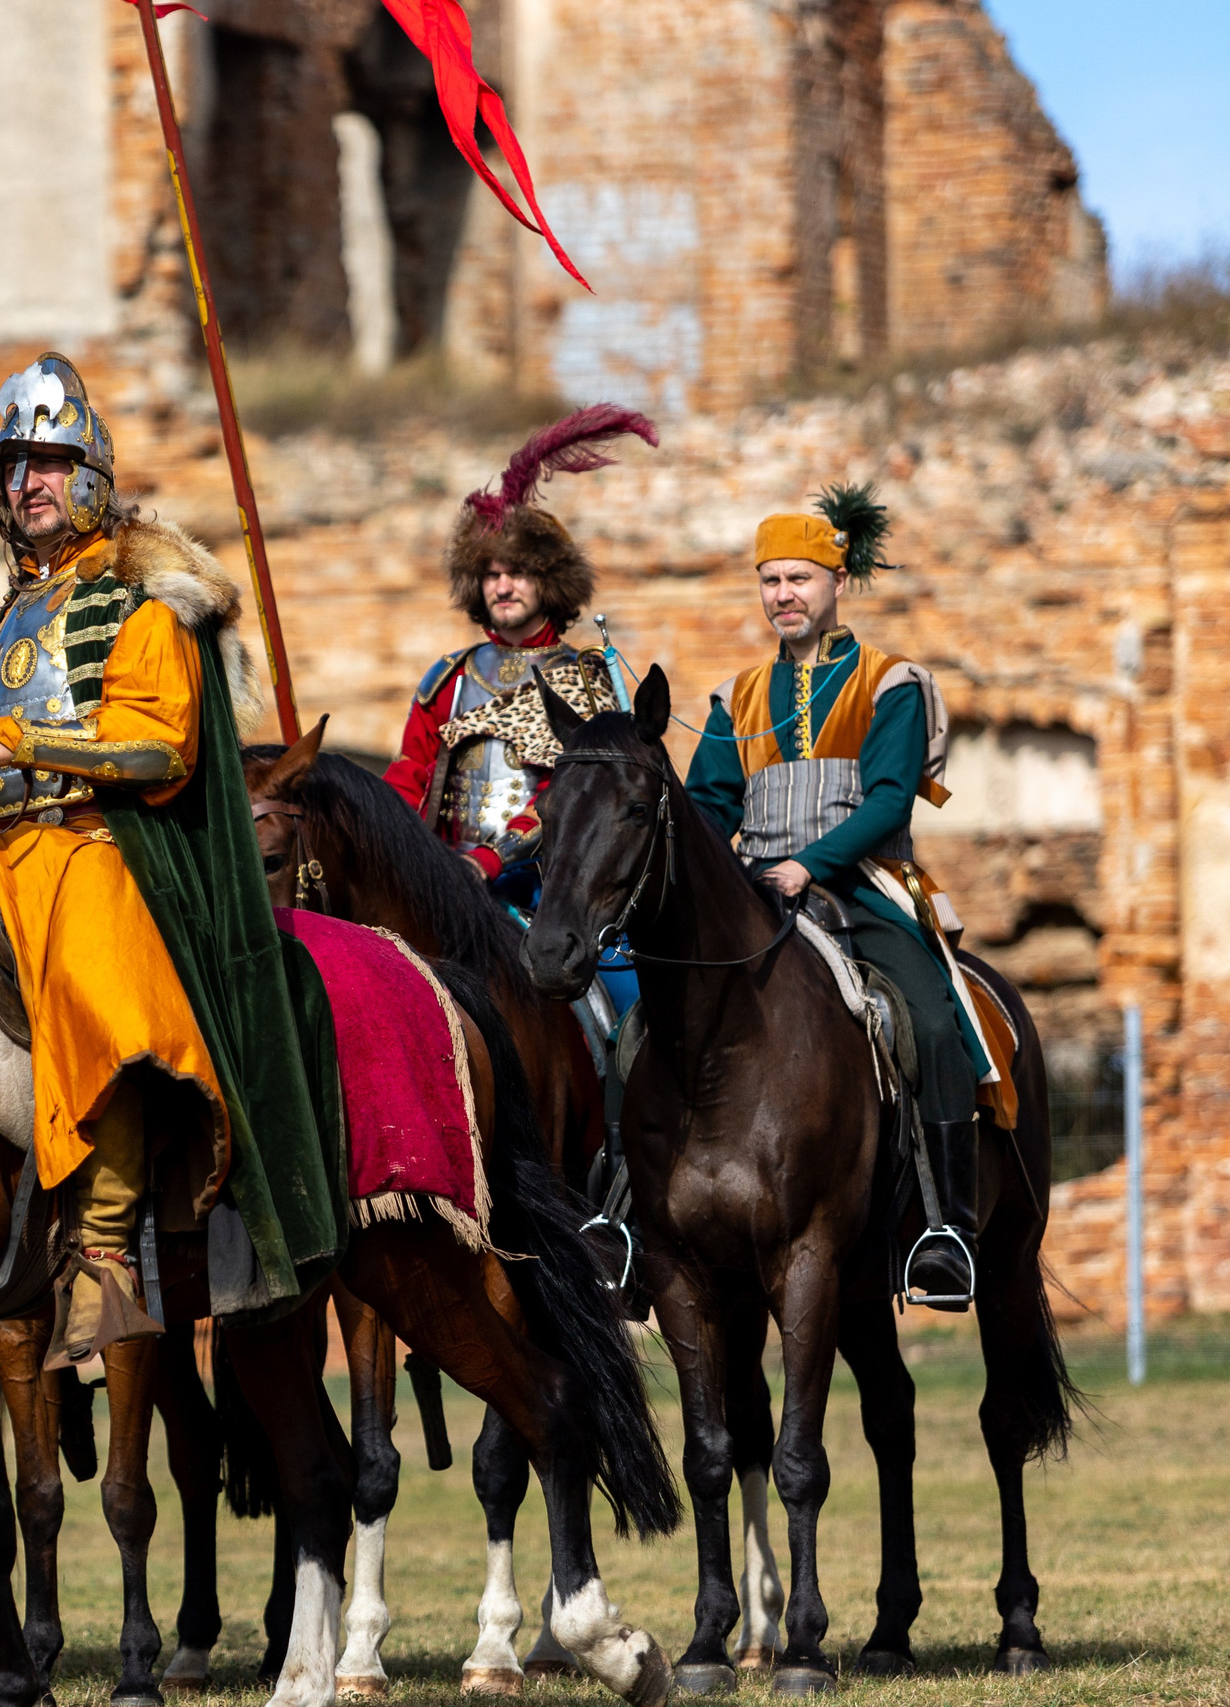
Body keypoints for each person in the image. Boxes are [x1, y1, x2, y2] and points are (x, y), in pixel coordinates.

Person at [0, 353, 339, 1366]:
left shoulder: (140, 603)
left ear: (88, 475)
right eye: (10, 467)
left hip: (99, 847)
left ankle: (106, 1253)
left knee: (98, 982)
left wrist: (18, 743)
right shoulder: (14, 610)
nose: (21, 483)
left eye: (44, 462)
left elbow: (160, 750)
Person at [686, 484, 998, 1306]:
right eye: (769, 581)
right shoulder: (736, 697)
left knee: (933, 1016)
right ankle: (622, 1206)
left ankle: (947, 1228)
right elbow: (712, 806)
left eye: (799, 579)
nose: (783, 595)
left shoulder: (891, 682)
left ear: (836, 582)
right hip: (757, 894)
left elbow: (891, 799)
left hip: (864, 888)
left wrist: (809, 866)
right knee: (654, 1016)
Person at [384, 406, 651, 1027]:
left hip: (543, 884)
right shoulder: (448, 676)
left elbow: (578, 795)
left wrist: (493, 860)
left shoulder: (580, 678)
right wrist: (401, 850)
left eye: (519, 572)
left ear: (549, 581)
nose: (503, 586)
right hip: (438, 876)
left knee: (626, 1001)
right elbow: (410, 772)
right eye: (492, 574)